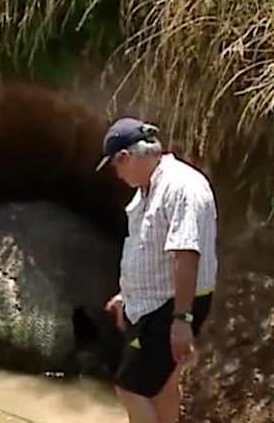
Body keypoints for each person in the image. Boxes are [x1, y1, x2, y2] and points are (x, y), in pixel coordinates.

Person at [96, 117, 217, 423]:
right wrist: (128, 295)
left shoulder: (181, 187)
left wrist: (181, 320)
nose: (117, 175)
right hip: (154, 303)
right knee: (162, 386)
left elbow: (186, 255)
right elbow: (146, 249)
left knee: (130, 388)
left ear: (125, 157)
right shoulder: (149, 186)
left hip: (172, 304)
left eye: (115, 166)